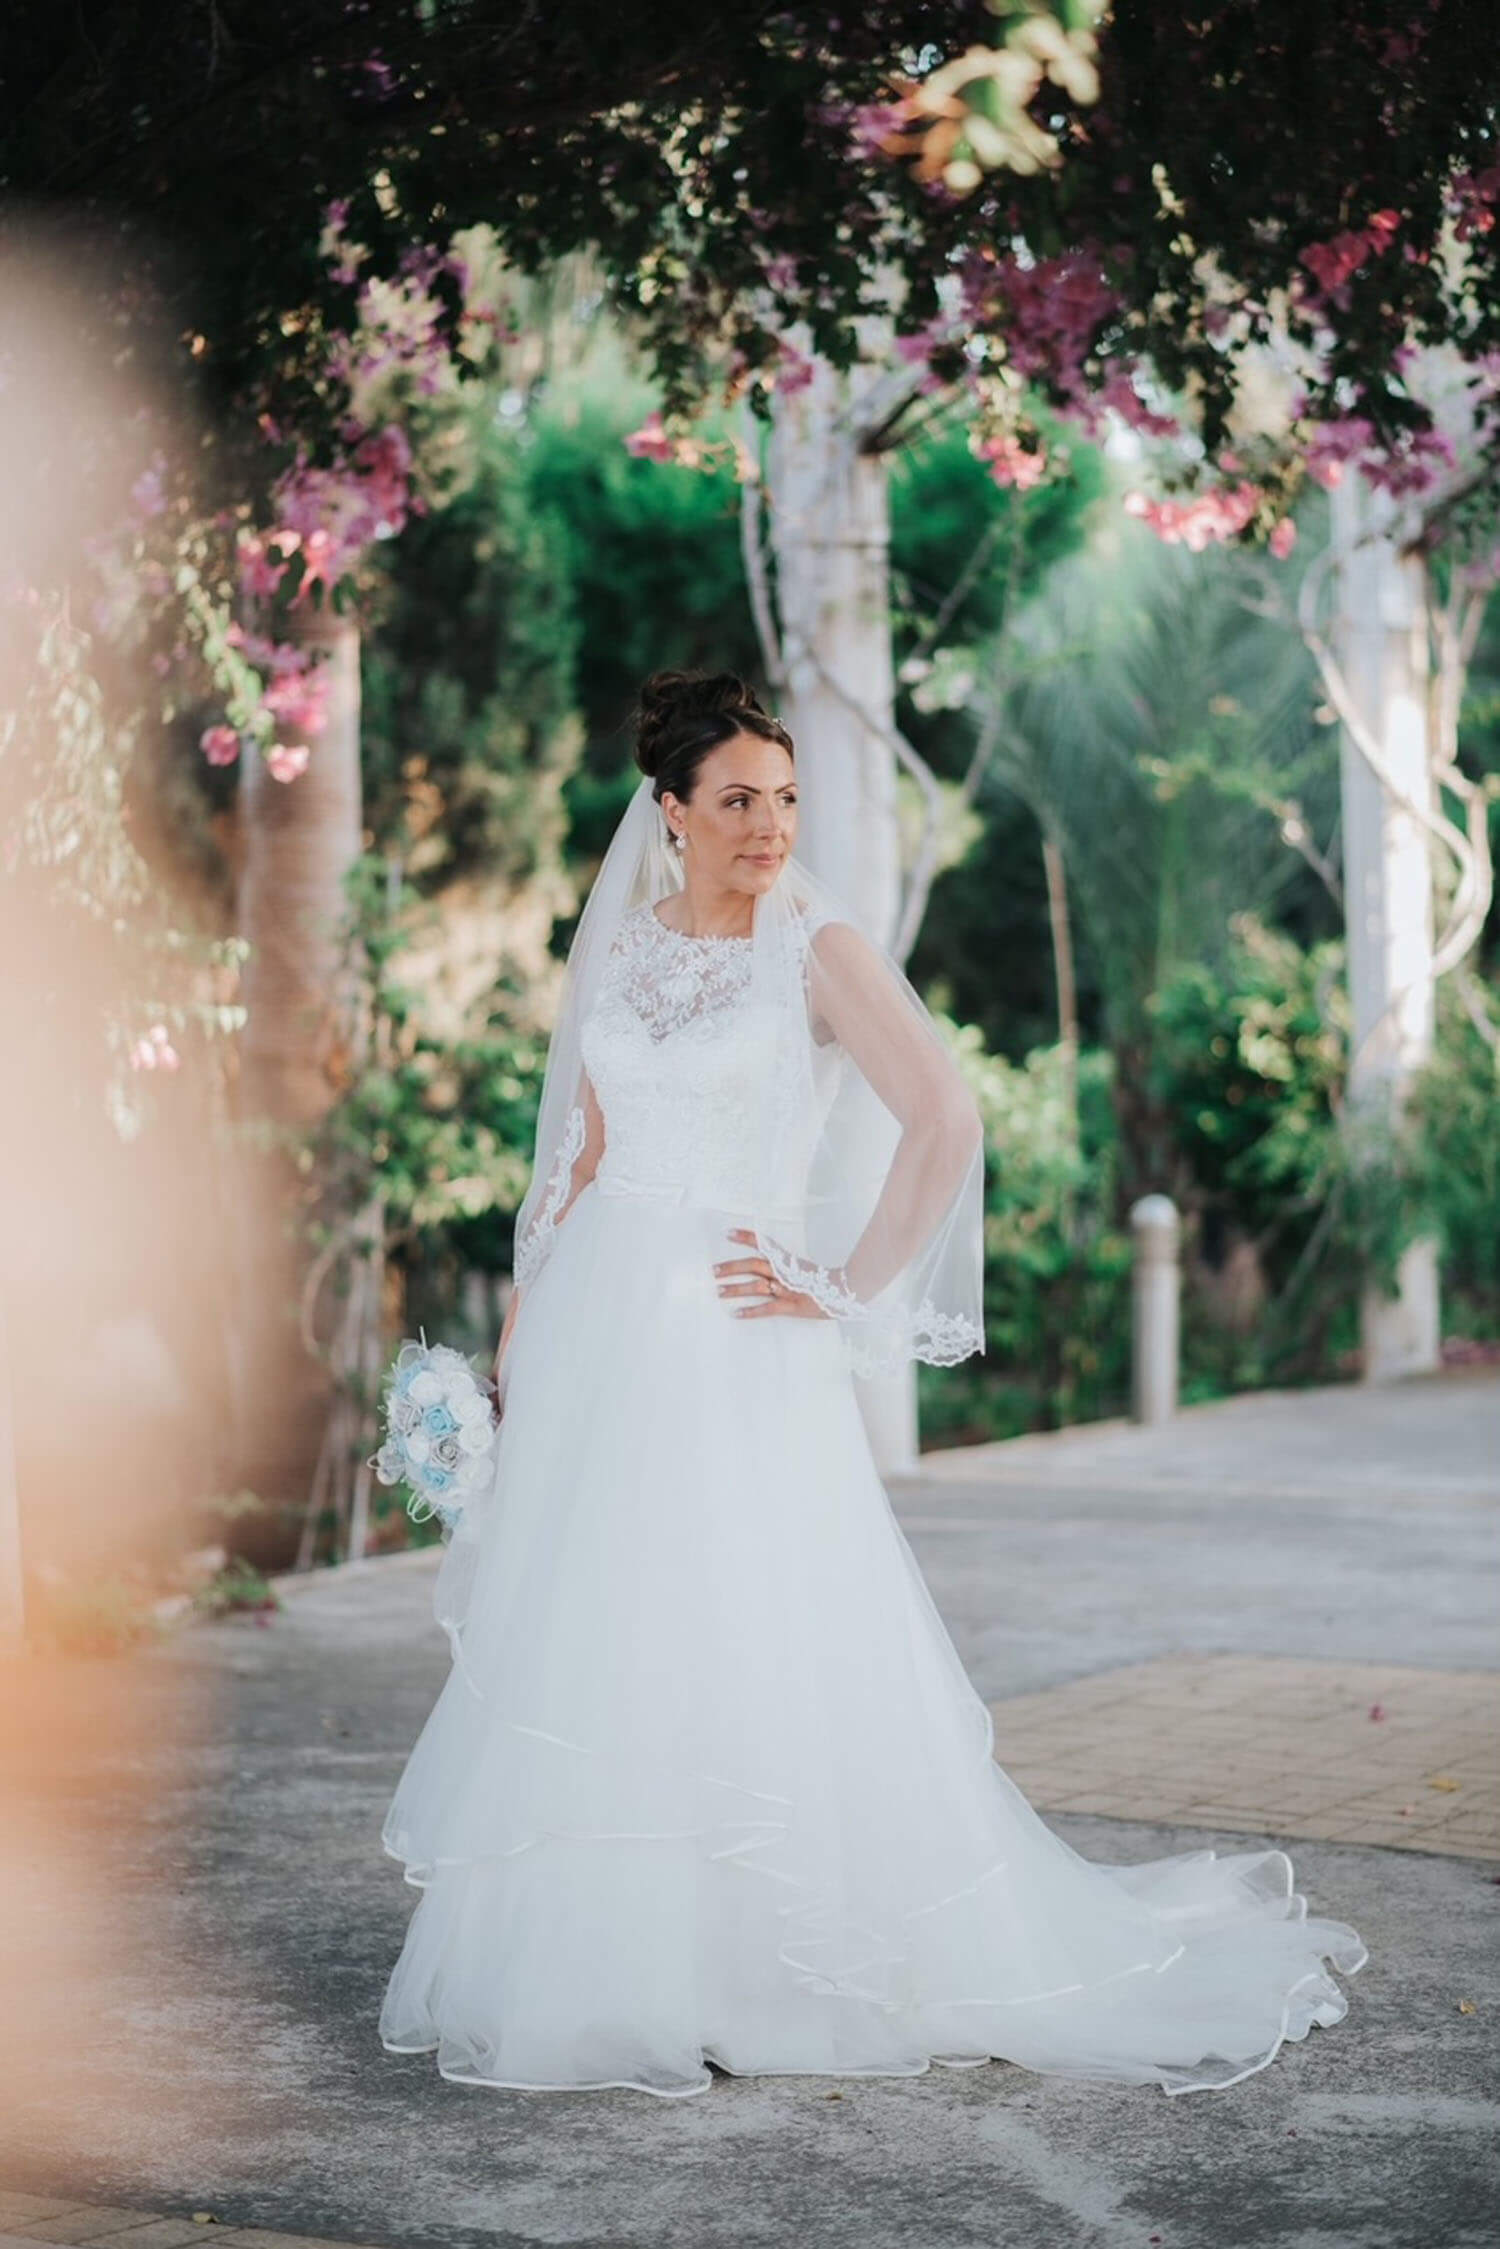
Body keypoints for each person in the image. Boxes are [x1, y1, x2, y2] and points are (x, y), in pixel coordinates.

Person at [378, 669, 1366, 2099]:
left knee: (750, 1625)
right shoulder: (623, 949)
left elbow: (943, 1111)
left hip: (734, 1339)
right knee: (609, 1633)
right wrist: (526, 1336)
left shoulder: (814, 943)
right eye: (738, 800)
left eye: (784, 798)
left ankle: (767, 1961)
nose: (769, 825)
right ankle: (615, 1966)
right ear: (672, 811)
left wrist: (846, 1281)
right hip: (601, 1331)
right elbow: (578, 1164)